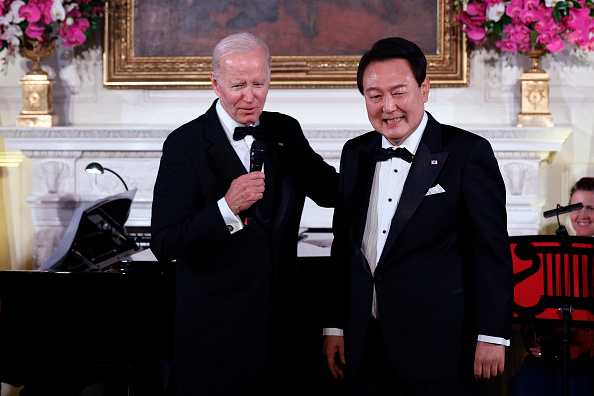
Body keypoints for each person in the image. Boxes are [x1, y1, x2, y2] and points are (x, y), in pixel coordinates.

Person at [323, 37, 514, 395]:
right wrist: (335, 326)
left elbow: (492, 252)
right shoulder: (354, 153)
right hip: (365, 344)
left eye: (399, 92)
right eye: (375, 95)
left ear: (424, 89)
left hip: (440, 346)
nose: (387, 106)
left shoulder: (467, 152)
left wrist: (492, 334)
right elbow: (343, 249)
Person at [150, 32, 338, 395]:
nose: (250, 97)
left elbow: (329, 192)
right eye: (238, 85)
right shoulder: (184, 145)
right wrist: (226, 208)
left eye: (259, 83)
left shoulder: (284, 129)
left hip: (285, 340)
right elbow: (165, 242)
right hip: (216, 342)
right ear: (215, 82)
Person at [511, 176, 594, 396]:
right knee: (524, 386)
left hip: (587, 364)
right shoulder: (552, 252)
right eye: (577, 207)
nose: (583, 215)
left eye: (591, 208)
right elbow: (530, 305)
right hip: (549, 359)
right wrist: (533, 341)